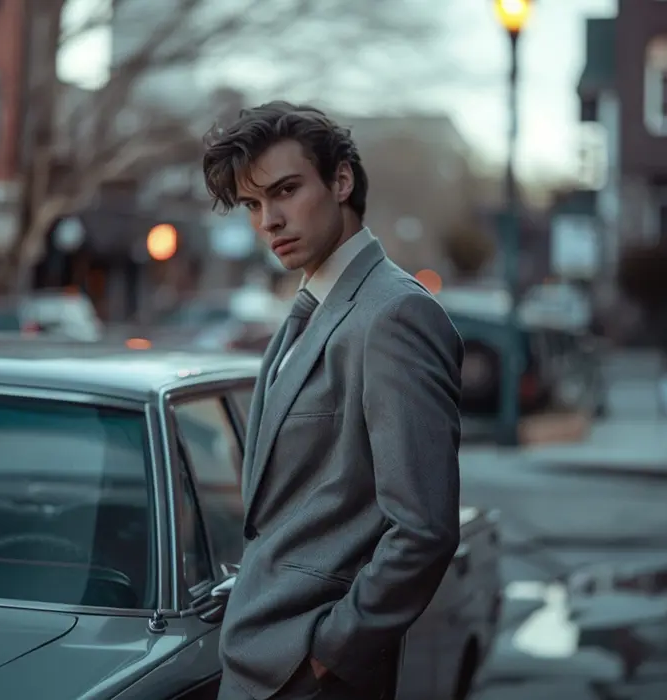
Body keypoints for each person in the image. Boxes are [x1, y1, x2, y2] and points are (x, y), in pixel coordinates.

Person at [202, 101, 464, 700]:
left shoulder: (395, 314)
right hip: (259, 658)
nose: (269, 220)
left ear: (340, 180)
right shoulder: (313, 307)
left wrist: (328, 652)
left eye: (286, 191)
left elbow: (423, 530)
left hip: (311, 677)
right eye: (252, 205)